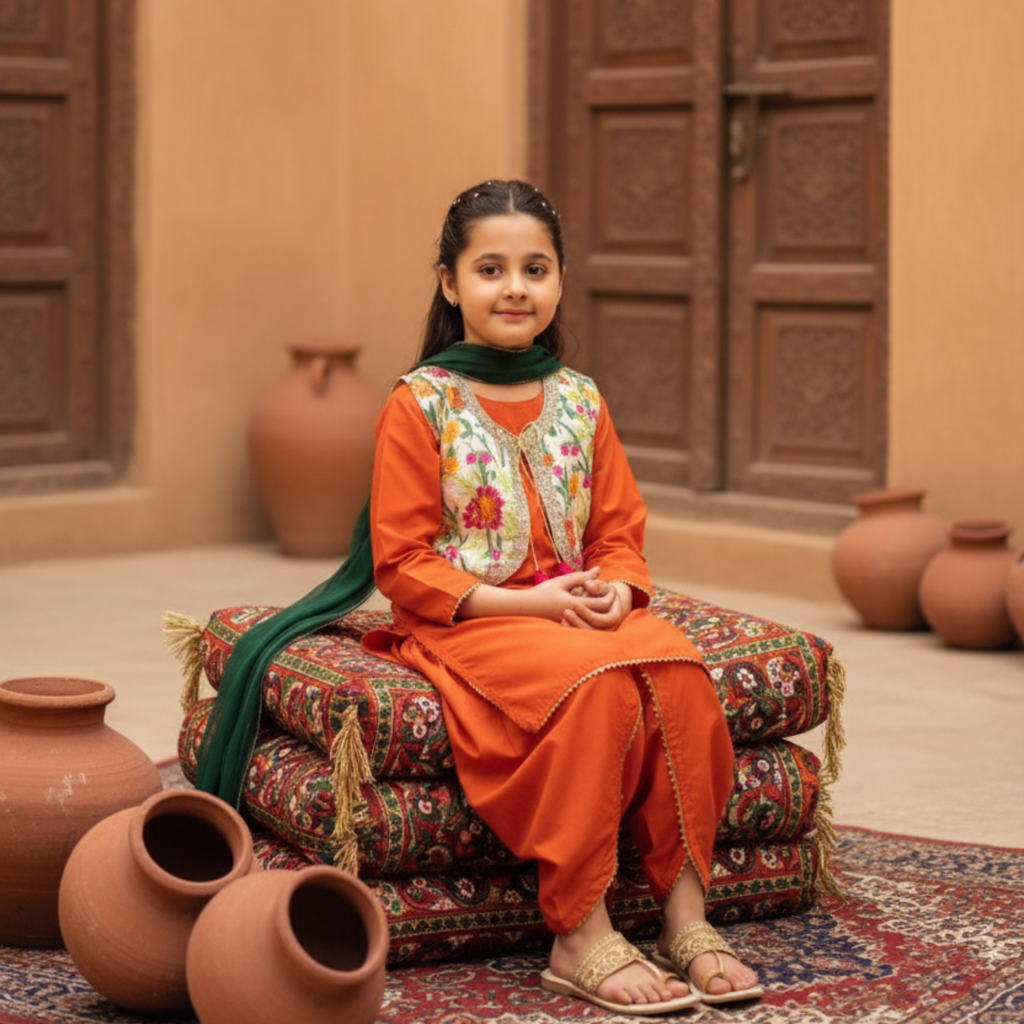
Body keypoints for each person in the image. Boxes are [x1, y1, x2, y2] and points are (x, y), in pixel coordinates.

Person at [358, 179, 764, 1014]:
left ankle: (686, 914)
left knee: (680, 670)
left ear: (561, 282)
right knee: (601, 685)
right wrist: (528, 607)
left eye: (535, 268)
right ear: (449, 283)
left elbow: (618, 532)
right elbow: (402, 563)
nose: (515, 288)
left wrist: (620, 589)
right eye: (491, 268)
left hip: (579, 613)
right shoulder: (420, 403)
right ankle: (579, 929)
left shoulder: (581, 399)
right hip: (474, 621)